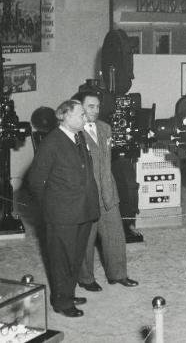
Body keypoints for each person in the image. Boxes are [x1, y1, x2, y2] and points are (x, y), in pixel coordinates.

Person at [28, 100, 100, 317]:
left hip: (83, 210)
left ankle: (67, 292)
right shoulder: (52, 142)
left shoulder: (78, 137)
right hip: (62, 213)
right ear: (65, 116)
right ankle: (62, 302)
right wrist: (52, 207)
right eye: (80, 114)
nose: (85, 117)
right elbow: (35, 181)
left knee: (76, 257)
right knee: (61, 259)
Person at [73, 91, 139, 292]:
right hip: (87, 195)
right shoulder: (73, 132)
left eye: (97, 106)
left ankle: (118, 274)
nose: (95, 110)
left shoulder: (105, 128)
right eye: (90, 106)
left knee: (115, 236)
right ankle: (85, 278)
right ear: (80, 107)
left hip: (108, 192)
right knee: (85, 239)